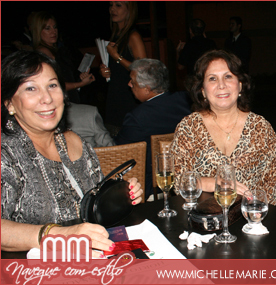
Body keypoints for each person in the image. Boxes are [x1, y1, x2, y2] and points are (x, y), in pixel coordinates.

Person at [1, 50, 143, 255]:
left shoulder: (74, 141)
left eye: (52, 85)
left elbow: (93, 204)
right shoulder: (6, 154)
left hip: (93, 260)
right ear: (9, 103)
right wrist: (61, 235)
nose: (47, 98)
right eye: (31, 88)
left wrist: (120, 196)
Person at [171, 50, 276, 207]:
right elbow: (178, 182)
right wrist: (215, 183)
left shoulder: (261, 127)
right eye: (212, 79)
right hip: (203, 220)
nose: (221, 85)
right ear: (203, 91)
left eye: (228, 76)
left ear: (240, 85)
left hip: (250, 218)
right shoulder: (189, 128)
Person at [114, 58, 192, 201]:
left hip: (151, 190)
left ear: (147, 89)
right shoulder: (186, 101)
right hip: (188, 181)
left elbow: (121, 153)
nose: (129, 84)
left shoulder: (137, 117)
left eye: (133, 81)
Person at [100, 1, 147, 128]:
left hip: (129, 96)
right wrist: (106, 70)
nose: (113, 9)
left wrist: (116, 57)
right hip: (115, 94)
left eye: (118, 5)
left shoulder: (133, 36)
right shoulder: (116, 35)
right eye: (111, 5)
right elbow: (119, 68)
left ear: (129, 10)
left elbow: (143, 69)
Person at [31, 11, 95, 103]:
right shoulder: (43, 52)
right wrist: (80, 84)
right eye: (48, 28)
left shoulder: (54, 50)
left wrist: (80, 77)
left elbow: (64, 76)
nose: (53, 31)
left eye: (55, 27)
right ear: (38, 31)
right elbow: (53, 84)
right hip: (62, 101)